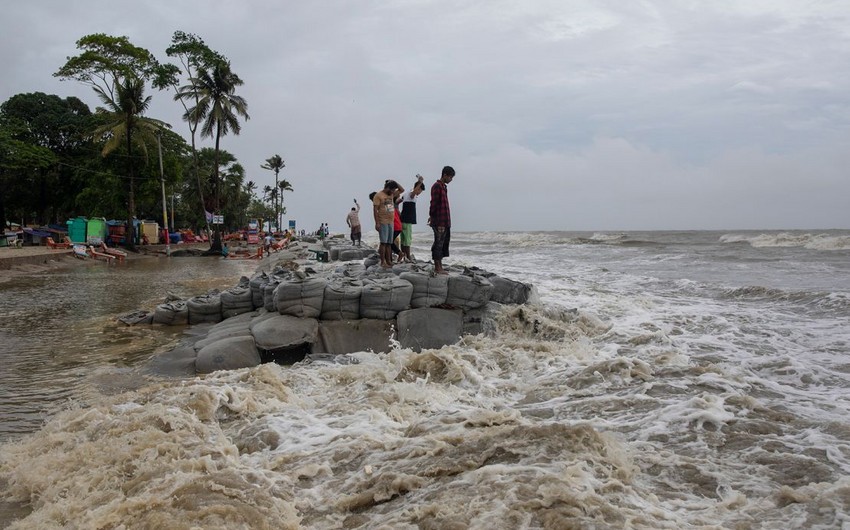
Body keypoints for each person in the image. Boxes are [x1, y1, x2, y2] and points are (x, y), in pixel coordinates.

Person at [428, 166, 455, 274]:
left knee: (443, 243)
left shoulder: (443, 187)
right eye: (450, 177)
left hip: (445, 220)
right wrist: (432, 216)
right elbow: (433, 203)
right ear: (445, 175)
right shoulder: (437, 186)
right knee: (438, 243)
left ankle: (440, 266)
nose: (451, 180)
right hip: (439, 221)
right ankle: (437, 267)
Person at [373, 180, 401, 268]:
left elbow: (402, 190)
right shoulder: (378, 195)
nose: (393, 192)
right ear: (388, 188)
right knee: (383, 243)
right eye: (392, 190)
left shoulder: (391, 195)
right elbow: (375, 210)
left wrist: (395, 182)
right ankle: (382, 262)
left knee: (389, 243)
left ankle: (389, 261)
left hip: (391, 222)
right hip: (383, 221)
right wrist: (377, 223)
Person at [400, 174, 426, 262]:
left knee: (403, 240)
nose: (419, 193)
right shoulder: (412, 194)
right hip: (407, 221)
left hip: (403, 219)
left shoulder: (405, 194)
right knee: (407, 240)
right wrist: (420, 182)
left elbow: (398, 201)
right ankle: (408, 257)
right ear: (418, 188)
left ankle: (403, 256)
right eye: (420, 191)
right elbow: (413, 193)